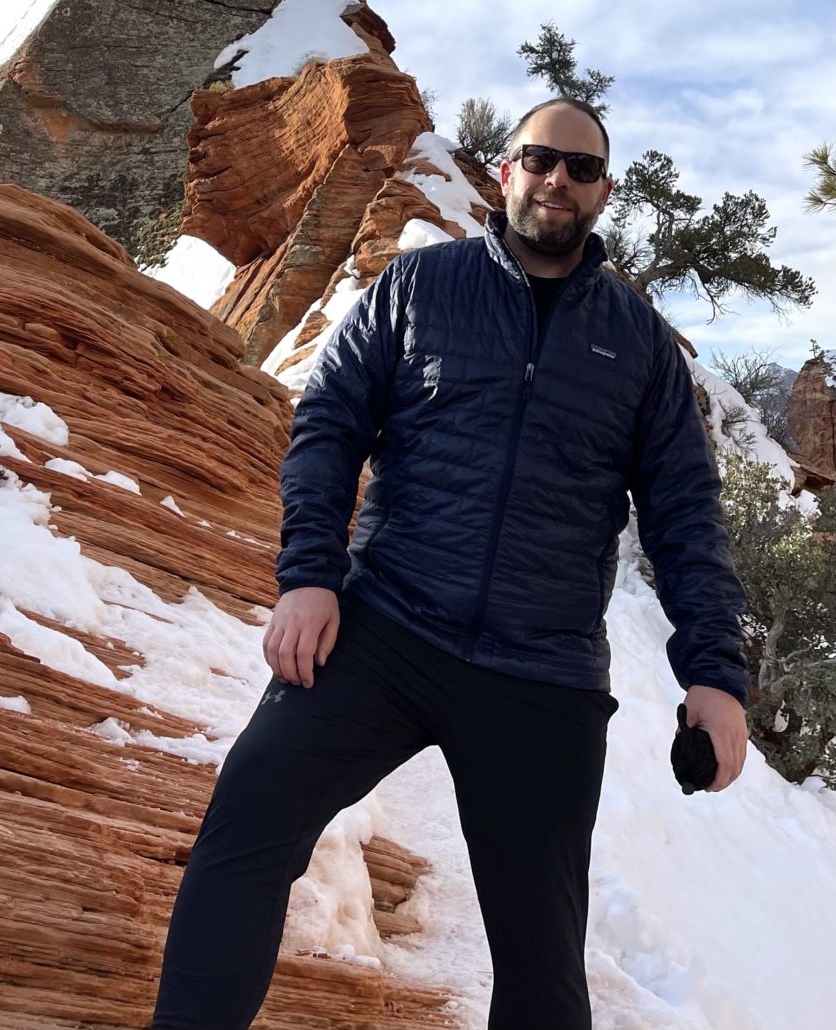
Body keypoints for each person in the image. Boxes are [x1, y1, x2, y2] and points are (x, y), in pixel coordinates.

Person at [150, 97, 750, 1030]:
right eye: (540, 159)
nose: (558, 180)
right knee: (248, 824)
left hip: (542, 673)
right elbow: (328, 427)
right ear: (506, 172)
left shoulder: (639, 345)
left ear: (603, 192)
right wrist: (309, 576)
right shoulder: (417, 286)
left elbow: (685, 515)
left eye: (582, 167)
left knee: (544, 963)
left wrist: (714, 675)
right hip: (387, 629)